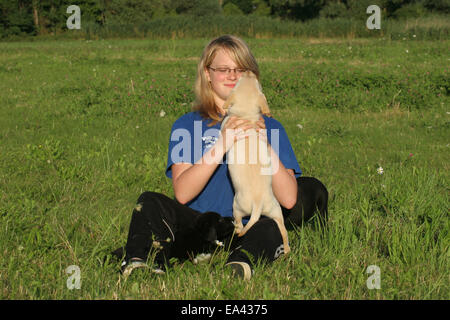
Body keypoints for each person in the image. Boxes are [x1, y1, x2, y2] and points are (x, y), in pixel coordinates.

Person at [121, 35, 303, 280]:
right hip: (200, 223)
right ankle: (140, 261)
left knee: (270, 227)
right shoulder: (188, 125)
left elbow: (289, 199)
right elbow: (183, 193)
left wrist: (264, 143)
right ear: (207, 73)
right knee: (149, 201)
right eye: (223, 69)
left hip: (246, 223)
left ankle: (240, 265)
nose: (232, 75)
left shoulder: (271, 126)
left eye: (240, 69)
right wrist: (223, 143)